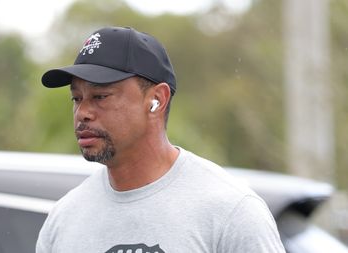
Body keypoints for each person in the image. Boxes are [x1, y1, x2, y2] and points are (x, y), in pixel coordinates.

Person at [36, 26, 285, 253]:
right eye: (77, 98)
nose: (83, 113)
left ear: (157, 99)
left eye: (100, 96)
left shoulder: (231, 211)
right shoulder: (64, 218)